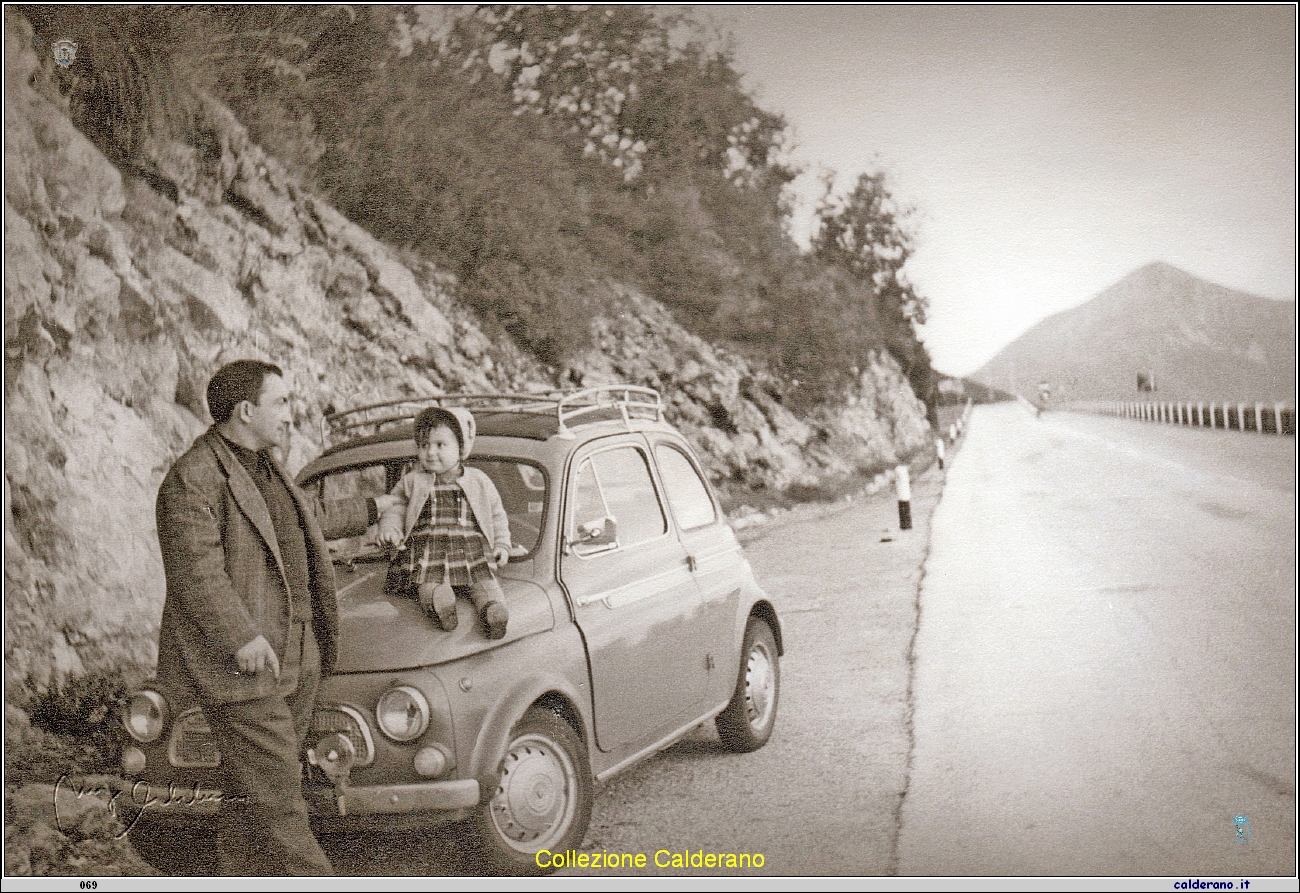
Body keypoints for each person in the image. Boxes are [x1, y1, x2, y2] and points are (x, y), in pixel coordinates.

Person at [154, 360, 368, 876]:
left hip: (294, 657)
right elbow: (197, 573)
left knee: (251, 799)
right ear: (245, 411)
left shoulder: (264, 465)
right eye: (282, 403)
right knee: (280, 804)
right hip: (245, 668)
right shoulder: (194, 478)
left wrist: (374, 510)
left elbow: (302, 524)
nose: (291, 415)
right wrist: (241, 637)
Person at [376, 406, 512, 639]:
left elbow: (496, 515)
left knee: (485, 584)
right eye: (424, 445)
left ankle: (493, 610)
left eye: (440, 445)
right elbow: (395, 507)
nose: (430, 453)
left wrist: (502, 544)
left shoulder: (479, 480)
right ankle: (441, 604)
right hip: (428, 554)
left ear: (461, 448)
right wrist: (389, 528)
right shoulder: (412, 481)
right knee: (427, 585)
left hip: (470, 552)